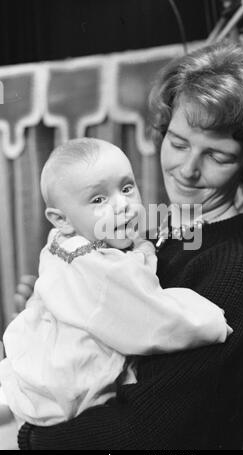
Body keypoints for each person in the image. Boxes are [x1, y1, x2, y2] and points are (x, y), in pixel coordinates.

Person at [16, 41, 243, 449]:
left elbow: (151, 433)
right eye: (178, 143)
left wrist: (31, 439)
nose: (188, 169)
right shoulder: (149, 227)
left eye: (217, 155)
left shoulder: (242, 269)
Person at [0, 138, 231, 428]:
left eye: (126, 188)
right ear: (62, 219)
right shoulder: (98, 269)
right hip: (64, 385)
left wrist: (142, 249)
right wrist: (209, 322)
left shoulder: (69, 244)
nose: (122, 205)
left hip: (33, 368)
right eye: (98, 200)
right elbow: (151, 319)